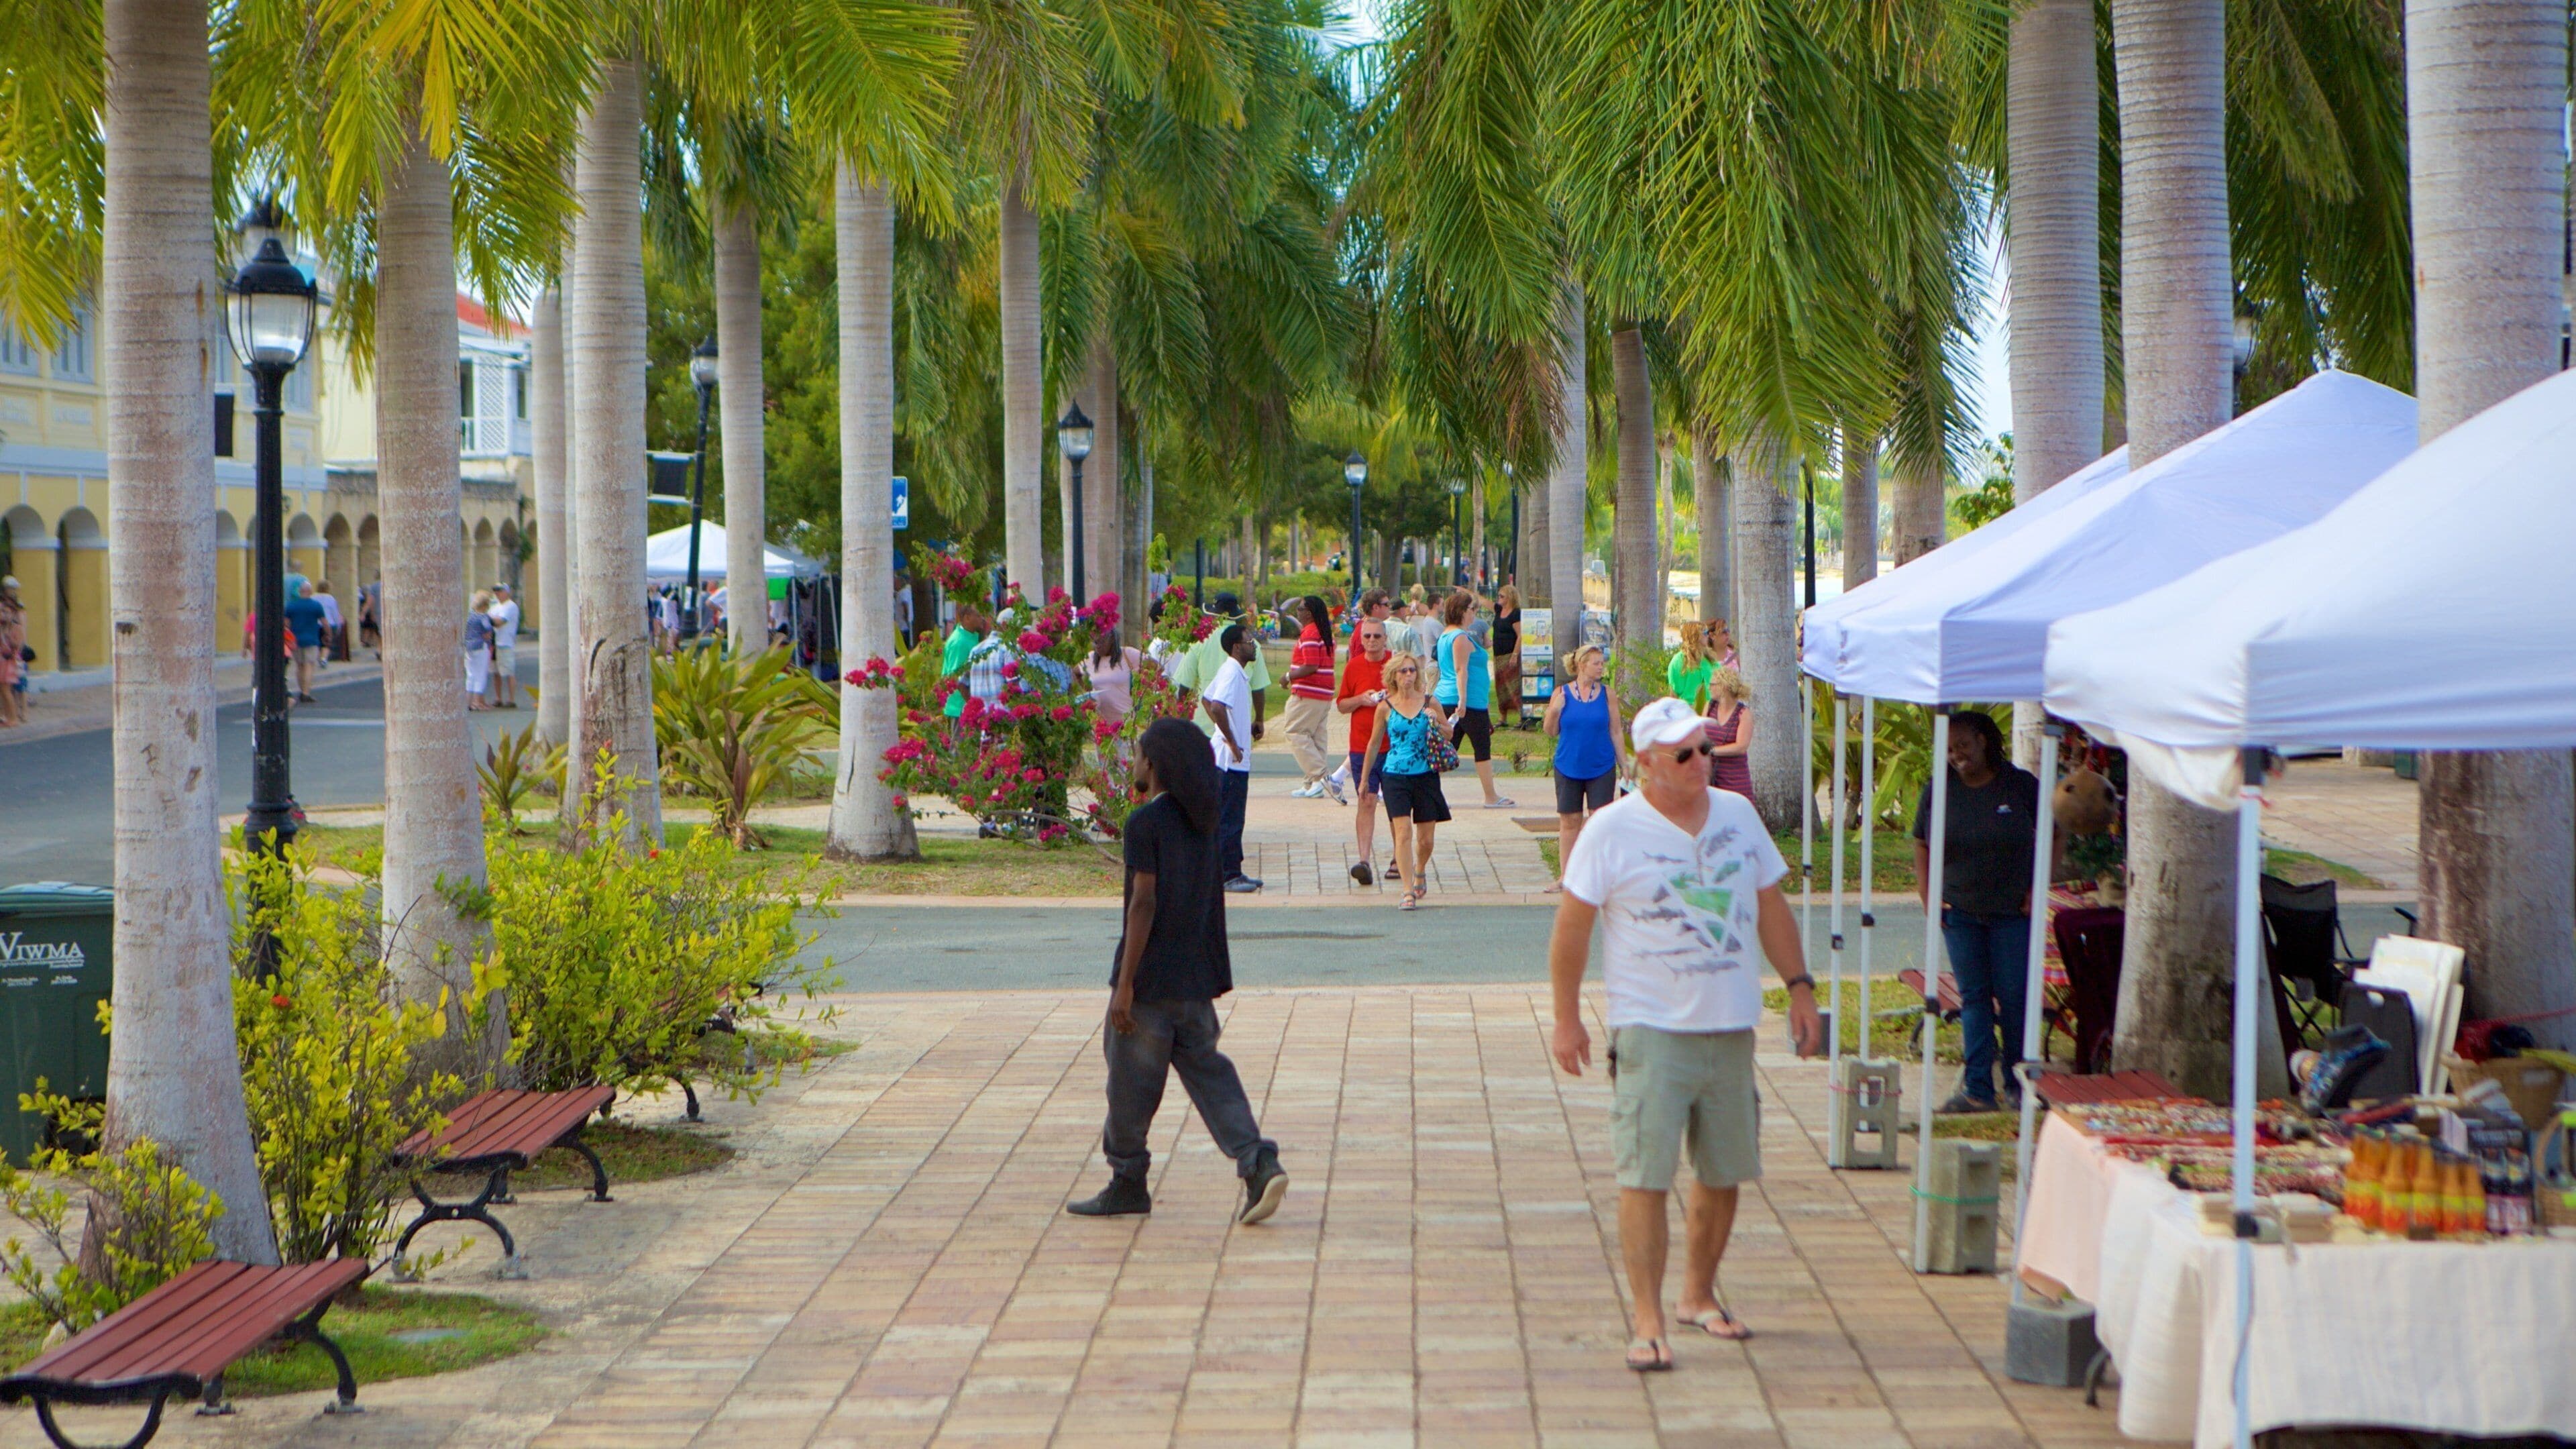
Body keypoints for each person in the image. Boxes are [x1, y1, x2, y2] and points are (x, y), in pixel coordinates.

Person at [1546, 696, 1823, 1371]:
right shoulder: (1611, 831)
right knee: (1645, 1173)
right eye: (1685, 753)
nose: (1702, 761)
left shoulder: (1738, 816)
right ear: (1645, 763)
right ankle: (1645, 1317)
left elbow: (1770, 907)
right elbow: (1571, 931)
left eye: (1704, 748)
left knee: (1725, 1168)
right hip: (1651, 1029)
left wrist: (1799, 987)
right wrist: (1566, 1018)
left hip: (1730, 1025)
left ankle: (1697, 1296)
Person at [1066, 717, 1289, 1224]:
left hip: (1150, 983)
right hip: (1194, 979)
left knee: (1129, 1086)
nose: (1136, 761)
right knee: (1210, 1074)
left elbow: (1143, 904)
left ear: (1155, 763)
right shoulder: (1203, 820)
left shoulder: (1145, 824)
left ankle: (1128, 1180)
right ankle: (1257, 1163)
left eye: (1141, 753)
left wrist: (1125, 984)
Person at [1911, 709, 2043, 1114]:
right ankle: (1978, 1088)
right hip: (1960, 910)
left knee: (2015, 996)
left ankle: (2019, 1084)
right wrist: (1928, 895)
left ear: (1985, 740)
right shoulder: (1940, 788)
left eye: (1964, 746)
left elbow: (2054, 833)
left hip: (2011, 911)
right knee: (1975, 999)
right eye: (1950, 749)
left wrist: (2038, 888)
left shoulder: (2019, 786)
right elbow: (1921, 842)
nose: (1957, 755)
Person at [1359, 651, 1451, 910]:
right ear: (1394, 676)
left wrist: (1437, 723)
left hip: (1426, 776)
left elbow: (1449, 732)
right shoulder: (1385, 707)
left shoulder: (1430, 702)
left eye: (1412, 670)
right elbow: (1374, 744)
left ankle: (1420, 869)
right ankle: (1407, 890)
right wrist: (1365, 779)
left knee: (1426, 840)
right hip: (1395, 776)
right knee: (1403, 833)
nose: (1409, 675)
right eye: (1403, 671)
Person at [1544, 644, 1628, 888]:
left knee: (1599, 821)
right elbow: (1551, 732)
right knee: (1569, 821)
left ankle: (1598, 874)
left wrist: (1624, 764)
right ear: (1582, 665)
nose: (1601, 667)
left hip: (1601, 766)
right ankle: (1566, 877)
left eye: (1602, 663)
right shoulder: (1562, 693)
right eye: (1596, 663)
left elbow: (1615, 730)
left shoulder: (1607, 694)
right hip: (1568, 765)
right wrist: (1554, 711)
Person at [1433, 589, 1514, 809]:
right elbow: (1461, 670)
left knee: (1448, 746)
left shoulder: (1448, 635)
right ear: (1460, 611)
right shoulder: (1458, 637)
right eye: (1472, 609)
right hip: (1463, 703)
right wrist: (1463, 699)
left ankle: (1433, 794)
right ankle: (1491, 797)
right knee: (1481, 747)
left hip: (1463, 700)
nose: (1474, 614)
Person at [1198, 625, 1262, 894]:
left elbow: (1206, 698)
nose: (1254, 645)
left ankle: (1233, 870)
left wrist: (1232, 729)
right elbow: (1215, 705)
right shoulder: (1232, 673)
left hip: (1230, 757)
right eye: (1249, 641)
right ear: (1237, 647)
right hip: (1230, 760)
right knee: (1230, 818)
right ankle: (1228, 875)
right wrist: (1232, 741)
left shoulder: (1233, 671)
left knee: (1231, 816)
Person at [1334, 612, 1394, 885]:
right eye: (1367, 636)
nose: (1372, 641)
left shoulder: (1396, 664)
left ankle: (1399, 859)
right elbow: (1341, 704)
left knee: (1397, 804)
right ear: (1360, 639)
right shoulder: (1354, 667)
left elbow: (1415, 694)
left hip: (1394, 745)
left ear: (1385, 638)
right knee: (1367, 800)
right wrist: (1361, 699)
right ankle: (1364, 861)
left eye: (1377, 636)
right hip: (1361, 747)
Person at [1169, 592, 1269, 748]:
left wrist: (1182, 720)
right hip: (1238, 726)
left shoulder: (1200, 642)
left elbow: (1185, 687)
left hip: (1203, 727)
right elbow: (1258, 688)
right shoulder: (1252, 644)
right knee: (1235, 770)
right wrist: (1259, 719)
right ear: (1236, 615)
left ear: (1214, 614)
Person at [1282, 594, 1341, 801]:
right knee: (1316, 737)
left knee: (1295, 731)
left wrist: (1288, 677)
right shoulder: (1325, 633)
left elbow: (1311, 665)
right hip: (1324, 693)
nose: (1297, 612)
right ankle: (1313, 784)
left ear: (1309, 613)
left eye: (1300, 609)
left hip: (1308, 692)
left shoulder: (1309, 633)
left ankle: (1321, 776)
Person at [1703, 666, 1756, 810]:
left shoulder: (1743, 714)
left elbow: (1741, 746)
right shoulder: (1710, 707)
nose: (1709, 688)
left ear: (1724, 687)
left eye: (1713, 684)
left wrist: (1712, 751)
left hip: (1735, 779)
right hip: (1712, 778)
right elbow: (1700, 733)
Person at [1081, 627, 1144, 734]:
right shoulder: (1090, 658)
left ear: (1111, 638)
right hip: (1101, 727)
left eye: (1101, 641)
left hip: (1126, 726)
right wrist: (1085, 691)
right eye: (1095, 642)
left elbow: (1156, 667)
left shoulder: (1128, 654)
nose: (1098, 646)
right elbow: (1075, 673)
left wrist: (1140, 687)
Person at [939, 605, 989, 720]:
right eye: (978, 616)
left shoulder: (971, 636)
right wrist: (972, 706)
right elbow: (957, 678)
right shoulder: (959, 642)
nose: (982, 619)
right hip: (960, 708)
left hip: (968, 706)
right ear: (967, 618)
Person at [282, 581, 327, 704]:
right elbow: (324, 622)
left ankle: (302, 689)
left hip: (295, 640)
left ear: (300, 592)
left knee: (300, 665)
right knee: (309, 665)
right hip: (311, 639)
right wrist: (328, 634)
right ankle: (306, 693)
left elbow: (286, 624)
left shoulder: (291, 605)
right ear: (310, 591)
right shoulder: (316, 605)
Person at [1667, 621, 1717, 713]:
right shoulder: (1678, 661)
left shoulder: (1709, 659)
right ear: (1694, 636)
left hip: (1712, 709)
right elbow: (1674, 694)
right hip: (1687, 711)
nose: (1708, 635)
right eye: (1705, 633)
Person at [1493, 584, 1525, 727]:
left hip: (1509, 654)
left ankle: (1521, 716)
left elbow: (1520, 635)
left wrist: (1515, 654)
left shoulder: (1515, 613)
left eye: (1502, 596)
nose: (1499, 598)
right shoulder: (1499, 610)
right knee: (1501, 687)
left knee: (1513, 686)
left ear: (1510, 597)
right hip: (1497, 654)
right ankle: (1503, 717)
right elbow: (1484, 602)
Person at [488, 584, 521, 708]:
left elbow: (499, 622)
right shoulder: (494, 607)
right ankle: (498, 698)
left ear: (507, 592)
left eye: (500, 591)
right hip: (494, 643)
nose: (498, 594)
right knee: (495, 672)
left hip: (506, 642)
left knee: (508, 671)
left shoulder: (511, 606)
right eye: (496, 591)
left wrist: (486, 619)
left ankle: (511, 699)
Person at [0, 576, 25, 728]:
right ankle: (7, 716)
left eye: (6, 612)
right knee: (3, 691)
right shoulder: (3, 627)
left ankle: (13, 717)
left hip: (9, 661)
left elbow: (17, 644)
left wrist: (9, 635)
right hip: (2, 661)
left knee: (7, 690)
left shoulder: (14, 627)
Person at [464, 591, 496, 710]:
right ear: (485, 605)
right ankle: (478, 702)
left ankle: (468, 702)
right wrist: (488, 636)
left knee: (470, 675)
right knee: (480, 675)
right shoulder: (483, 617)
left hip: (469, 647)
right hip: (481, 646)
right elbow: (488, 630)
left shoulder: (471, 616)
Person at [313, 582, 345, 665]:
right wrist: (338, 626)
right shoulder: (331, 598)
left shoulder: (313, 597)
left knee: (317, 642)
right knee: (327, 643)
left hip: (315, 624)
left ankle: (318, 658)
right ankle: (323, 658)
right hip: (330, 623)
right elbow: (335, 613)